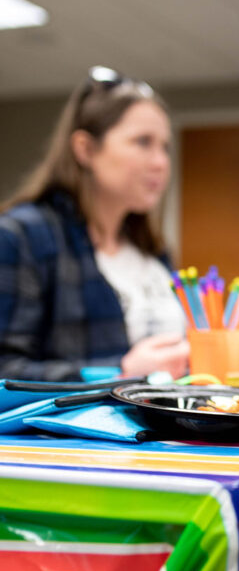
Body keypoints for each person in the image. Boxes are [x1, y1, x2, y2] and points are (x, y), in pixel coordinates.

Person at [0, 65, 189, 381]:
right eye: (143, 142)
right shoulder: (22, 237)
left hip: (160, 428)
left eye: (165, 147)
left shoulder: (153, 250)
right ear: (85, 149)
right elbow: (4, 370)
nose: (161, 163)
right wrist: (119, 372)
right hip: (78, 430)